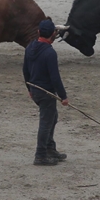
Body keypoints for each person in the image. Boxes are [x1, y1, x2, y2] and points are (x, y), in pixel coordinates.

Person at [23, 19, 68, 166]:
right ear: (53, 34)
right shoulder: (50, 53)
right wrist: (63, 97)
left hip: (35, 90)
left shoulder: (30, 47)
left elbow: (25, 70)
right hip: (46, 92)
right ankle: (40, 155)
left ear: (38, 32)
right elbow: (55, 78)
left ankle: (50, 149)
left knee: (52, 117)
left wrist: (29, 89)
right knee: (46, 122)